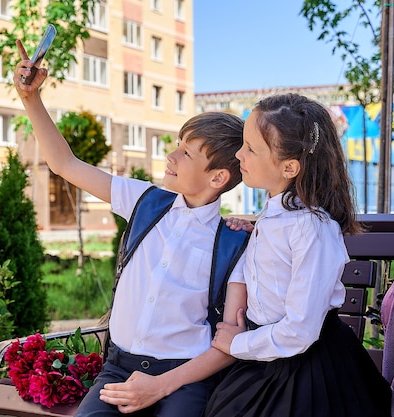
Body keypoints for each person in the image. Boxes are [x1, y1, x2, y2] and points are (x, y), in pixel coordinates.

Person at [13, 41, 247, 417]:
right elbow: (64, 163)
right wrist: (31, 98)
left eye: (186, 153)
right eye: (176, 145)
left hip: (185, 379)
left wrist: (161, 385)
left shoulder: (234, 243)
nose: (170, 156)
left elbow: (228, 341)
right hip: (119, 369)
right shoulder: (145, 201)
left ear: (218, 176)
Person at [204, 93, 392, 417]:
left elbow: (300, 331)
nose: (239, 154)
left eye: (251, 148)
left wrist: (237, 344)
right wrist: (251, 240)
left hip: (307, 367)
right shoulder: (273, 217)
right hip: (266, 359)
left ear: (289, 167)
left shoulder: (312, 228)